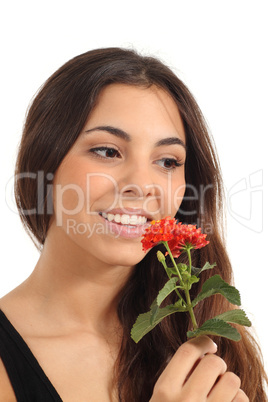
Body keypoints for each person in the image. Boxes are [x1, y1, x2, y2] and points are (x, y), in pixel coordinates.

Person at [0, 47, 266, 402]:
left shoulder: (203, 327)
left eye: (168, 161)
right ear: (44, 163)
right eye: (108, 151)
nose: (142, 184)